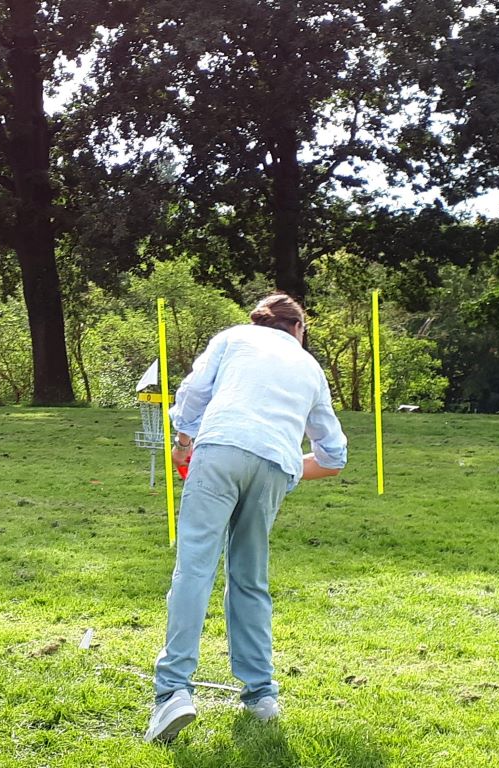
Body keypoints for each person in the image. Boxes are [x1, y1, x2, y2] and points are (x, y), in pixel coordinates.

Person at [145, 293, 348, 743]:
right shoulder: (309, 366)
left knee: (195, 569)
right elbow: (333, 457)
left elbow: (194, 393)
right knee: (249, 579)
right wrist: (288, 468)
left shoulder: (235, 337)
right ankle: (261, 695)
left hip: (219, 447)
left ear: (261, 321)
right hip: (276, 462)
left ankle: (173, 692)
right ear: (298, 329)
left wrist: (182, 444)